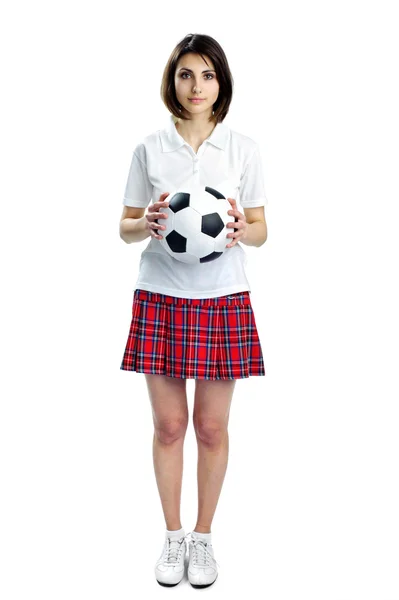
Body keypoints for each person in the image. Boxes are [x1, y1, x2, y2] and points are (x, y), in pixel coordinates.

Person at [119, 33, 268, 588]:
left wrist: (239, 231)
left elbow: (261, 230)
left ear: (221, 82)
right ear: (172, 81)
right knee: (168, 425)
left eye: (207, 75)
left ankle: (203, 538)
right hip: (161, 294)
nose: (197, 86)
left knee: (209, 427)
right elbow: (125, 226)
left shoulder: (243, 148)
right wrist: (149, 224)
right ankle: (173, 535)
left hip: (222, 297)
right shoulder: (150, 149)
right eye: (186, 74)